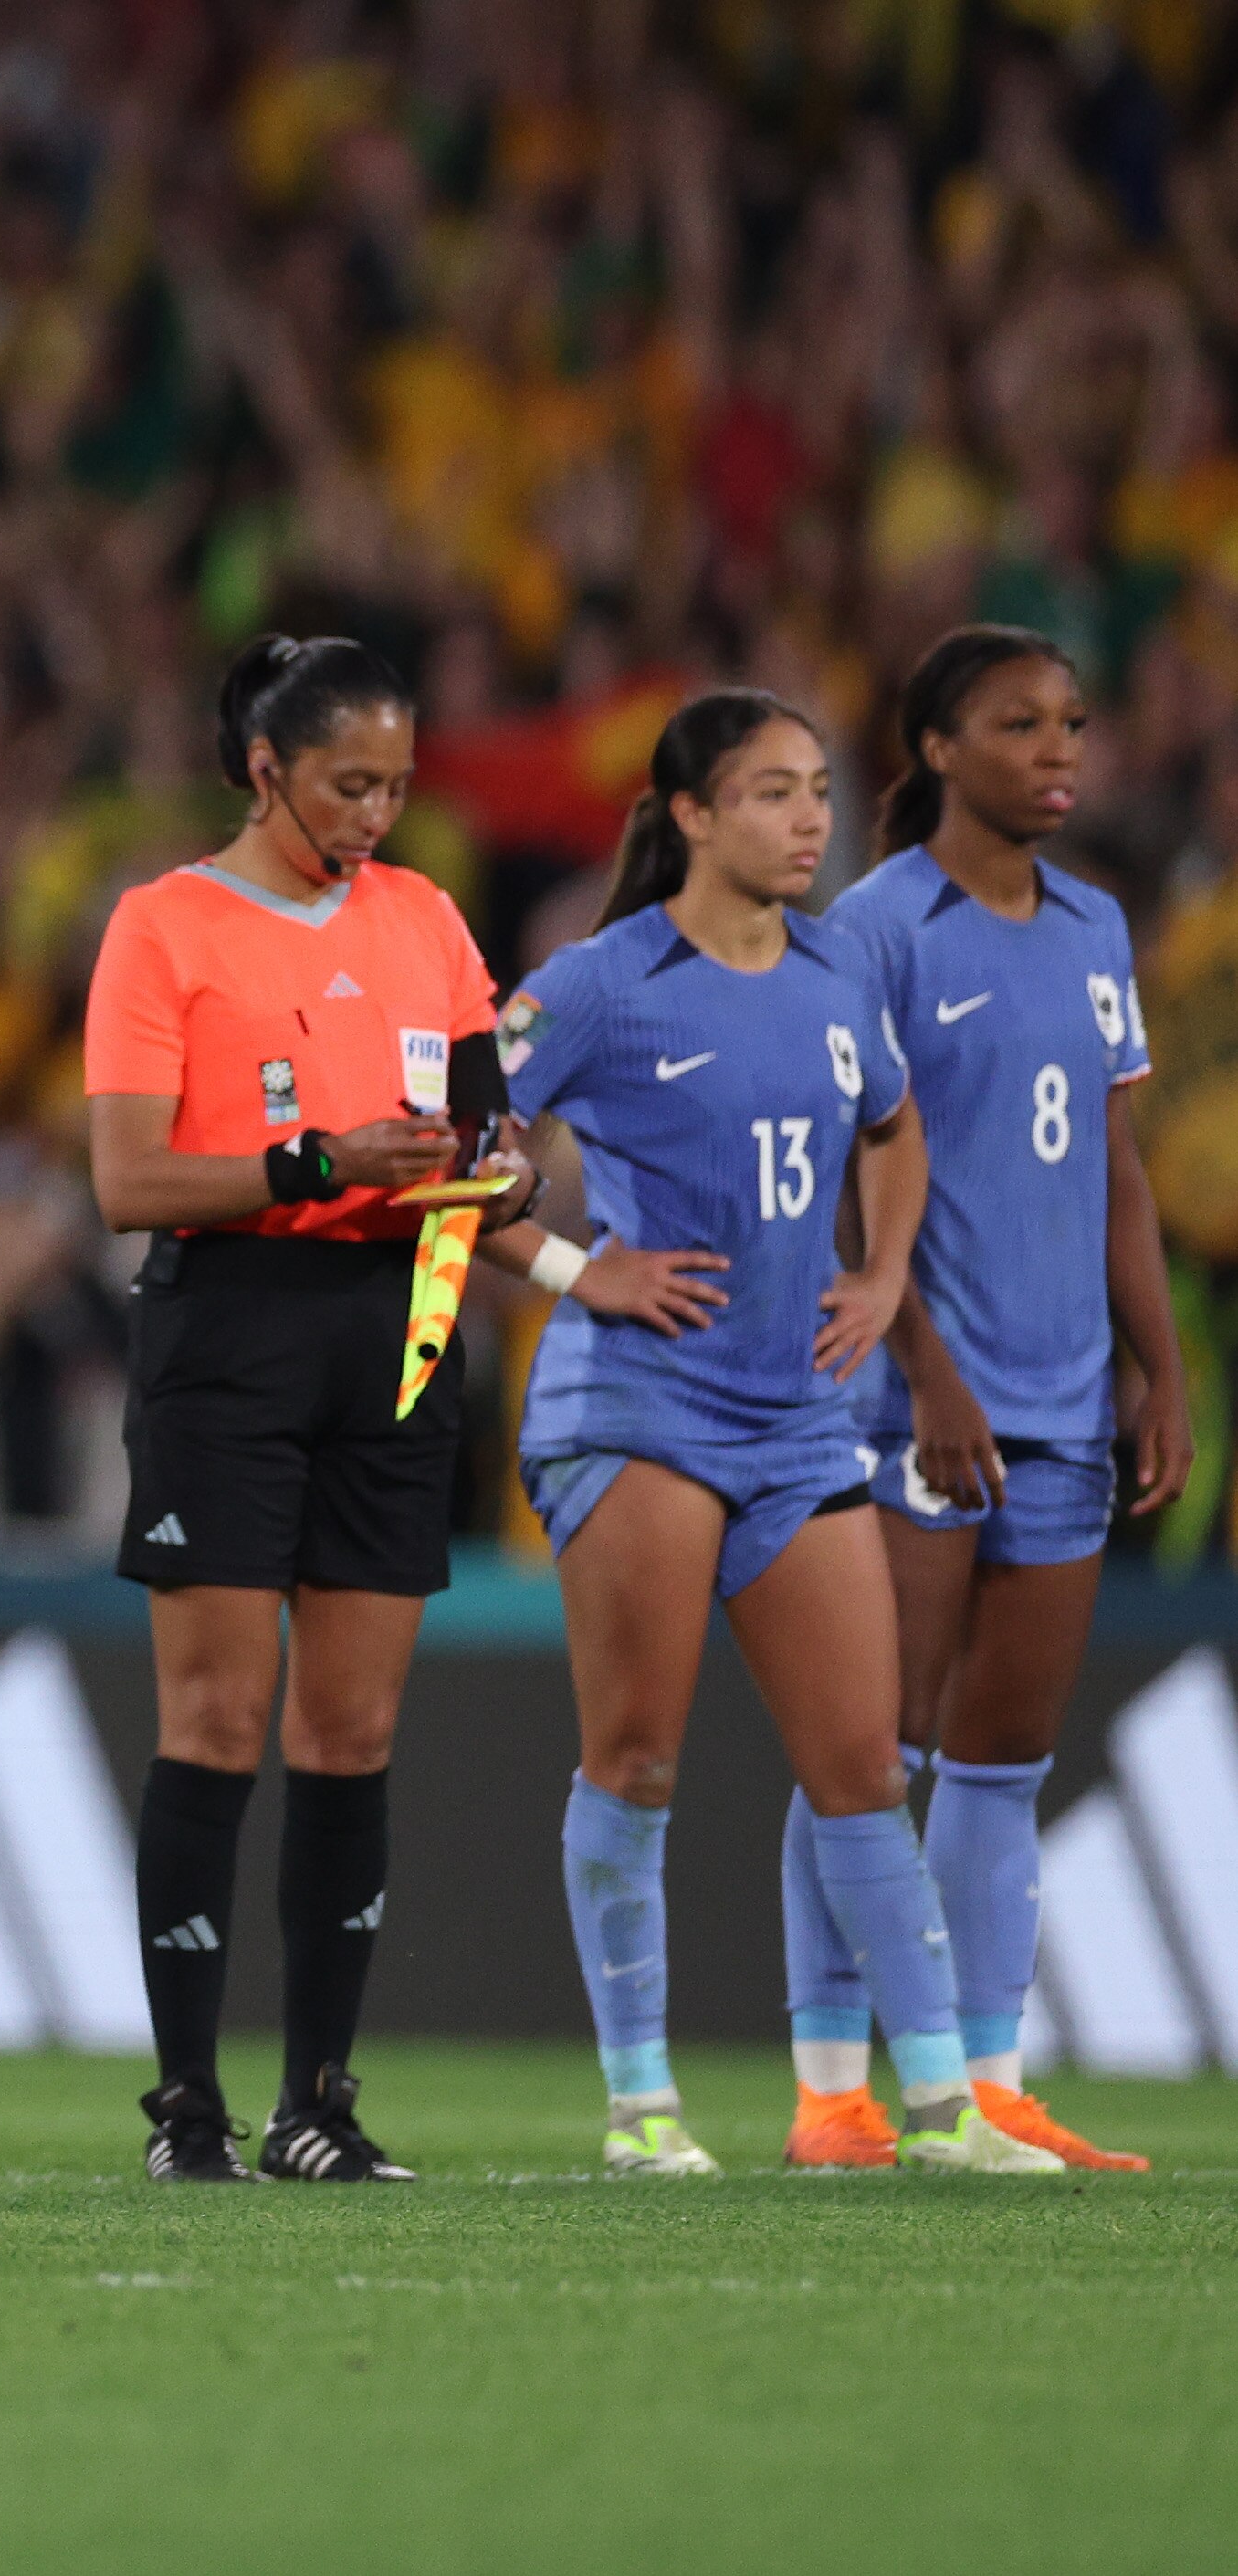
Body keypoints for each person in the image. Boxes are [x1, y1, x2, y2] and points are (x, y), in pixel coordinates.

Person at [501, 687, 1057, 2178]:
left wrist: (879, 1273)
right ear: (687, 815)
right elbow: (450, 1154)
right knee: (636, 1759)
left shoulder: (834, 976)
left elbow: (893, 1123)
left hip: (797, 1418)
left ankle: (938, 2112)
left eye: (816, 791)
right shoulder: (602, 982)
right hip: (637, 1408)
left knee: (864, 1767)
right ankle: (640, 2109)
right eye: (769, 794)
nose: (809, 819)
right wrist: (578, 1266)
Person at [82, 635, 540, 2184]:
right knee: (213, 1715)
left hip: (401, 1325)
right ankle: (186, 2109)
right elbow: (126, 1178)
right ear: (263, 766)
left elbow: (486, 1131)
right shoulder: (163, 927)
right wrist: (318, 1164)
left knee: (350, 1727)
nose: (378, 812)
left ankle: (318, 2109)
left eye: (399, 784)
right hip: (233, 1322)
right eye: (350, 781)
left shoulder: (423, 917)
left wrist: (506, 1174)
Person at [793, 626, 1186, 2172]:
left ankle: (985, 2082)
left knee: (1003, 1759)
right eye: (1017, 722)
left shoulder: (1092, 928)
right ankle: (836, 2089)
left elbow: (1118, 1177)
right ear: (936, 748)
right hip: (914, 1406)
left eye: (1072, 722)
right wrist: (923, 1362)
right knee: (867, 1748)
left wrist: (1160, 1366)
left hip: (1065, 1400)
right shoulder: (878, 927)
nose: (1058, 749)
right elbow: (842, 1178)